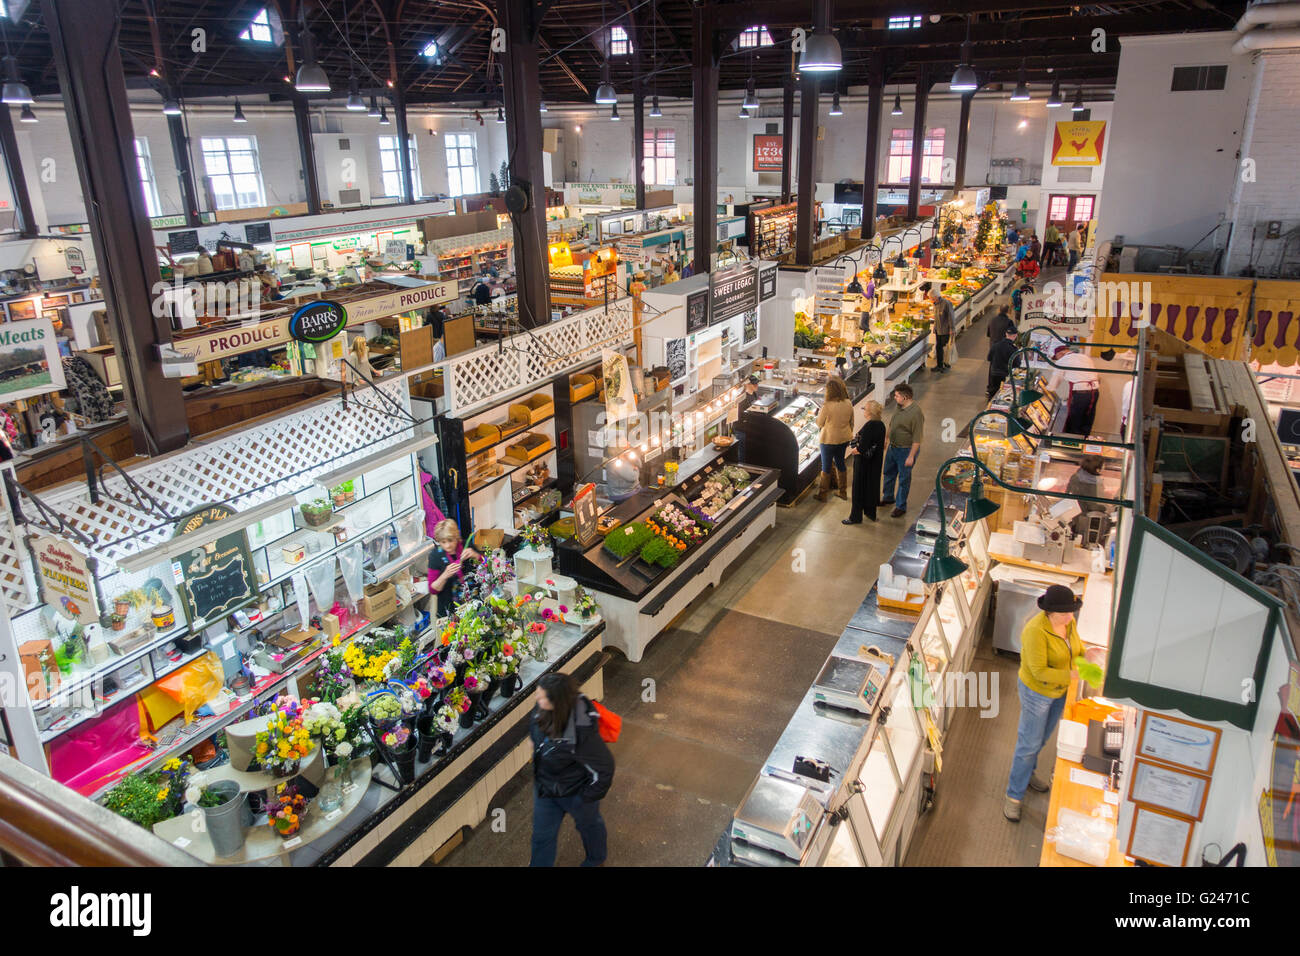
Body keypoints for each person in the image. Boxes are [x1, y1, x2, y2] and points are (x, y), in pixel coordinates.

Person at [1004, 585, 1084, 822]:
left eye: (1071, 612)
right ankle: (1013, 796)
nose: (1069, 617)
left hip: (1059, 692)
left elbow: (1076, 650)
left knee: (1043, 738)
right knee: (1029, 744)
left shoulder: (1069, 623)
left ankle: (1027, 774)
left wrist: (1087, 657)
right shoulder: (1035, 631)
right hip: (1037, 693)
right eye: (1064, 614)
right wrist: (1072, 675)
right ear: (1049, 613)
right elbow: (1039, 671)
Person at [529, 672, 615, 867]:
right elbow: (535, 733)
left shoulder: (581, 731)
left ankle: (595, 860)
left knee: (589, 826)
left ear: (557, 701)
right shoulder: (540, 709)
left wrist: (587, 796)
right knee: (542, 836)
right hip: (546, 788)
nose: (537, 698)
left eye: (542, 696)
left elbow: (605, 768)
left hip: (575, 792)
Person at [881, 383, 923, 518]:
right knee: (888, 472)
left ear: (905, 397)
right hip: (893, 447)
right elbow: (892, 423)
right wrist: (886, 438)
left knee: (904, 479)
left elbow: (917, 438)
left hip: (906, 450)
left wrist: (911, 456)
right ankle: (888, 497)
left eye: (897, 396)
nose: (895, 398)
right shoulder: (898, 407)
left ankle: (900, 506)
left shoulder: (916, 413)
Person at [426, 519, 480, 618]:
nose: (448, 545)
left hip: (475, 602)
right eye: (443, 542)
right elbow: (432, 589)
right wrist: (445, 575)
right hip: (450, 610)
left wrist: (475, 555)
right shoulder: (435, 556)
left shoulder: (466, 546)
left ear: (456, 537)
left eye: (450, 540)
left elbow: (485, 566)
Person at [843, 400, 886, 525]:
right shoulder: (881, 425)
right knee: (871, 487)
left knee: (858, 490)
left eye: (864, 409)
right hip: (875, 463)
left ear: (869, 412)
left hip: (863, 464)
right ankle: (870, 512)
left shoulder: (869, 426)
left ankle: (855, 517)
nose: (863, 411)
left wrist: (854, 450)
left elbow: (861, 448)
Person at [814, 376, 854, 502]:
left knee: (826, 467)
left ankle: (822, 494)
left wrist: (817, 415)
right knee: (840, 463)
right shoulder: (848, 403)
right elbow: (851, 422)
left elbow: (819, 423)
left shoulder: (827, 405)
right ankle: (842, 491)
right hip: (843, 438)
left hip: (828, 440)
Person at [1048, 344, 1101, 436]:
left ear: (1059, 354)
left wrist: (1046, 391)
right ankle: (1084, 440)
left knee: (1075, 421)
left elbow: (1053, 384)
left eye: (1056, 357)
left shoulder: (1062, 361)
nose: (1057, 359)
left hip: (1081, 394)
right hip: (1095, 391)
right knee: (1088, 418)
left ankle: (1073, 442)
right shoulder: (1084, 357)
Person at [1066, 455, 1113, 540]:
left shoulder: (1077, 475)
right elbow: (1094, 505)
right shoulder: (1092, 483)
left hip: (1073, 516)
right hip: (1084, 521)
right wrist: (1107, 508)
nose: (1104, 468)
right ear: (1097, 469)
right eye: (1102, 466)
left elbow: (1068, 493)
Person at [987, 324, 1018, 399]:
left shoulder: (996, 345)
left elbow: (989, 358)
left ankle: (989, 407)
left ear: (1006, 334)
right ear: (1015, 336)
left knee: (992, 393)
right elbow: (1017, 364)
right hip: (1005, 375)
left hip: (994, 373)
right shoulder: (1013, 349)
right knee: (1002, 395)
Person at [928, 288, 954, 372]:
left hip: (945, 330)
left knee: (945, 348)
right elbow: (936, 316)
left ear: (935, 297)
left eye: (931, 298)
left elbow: (951, 317)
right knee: (938, 347)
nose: (930, 299)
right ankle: (939, 365)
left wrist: (952, 328)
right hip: (938, 329)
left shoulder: (946, 303)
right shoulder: (935, 304)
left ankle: (946, 365)